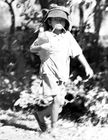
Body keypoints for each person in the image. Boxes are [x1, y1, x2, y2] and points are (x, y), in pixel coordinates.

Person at [30, 5, 93, 135]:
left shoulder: (68, 36)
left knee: (58, 104)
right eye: (56, 19)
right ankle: (53, 129)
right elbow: (32, 48)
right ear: (49, 21)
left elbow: (78, 53)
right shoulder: (46, 35)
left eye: (62, 20)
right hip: (48, 72)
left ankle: (40, 114)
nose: (59, 22)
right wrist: (42, 46)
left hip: (62, 74)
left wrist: (87, 66)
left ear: (66, 22)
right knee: (57, 100)